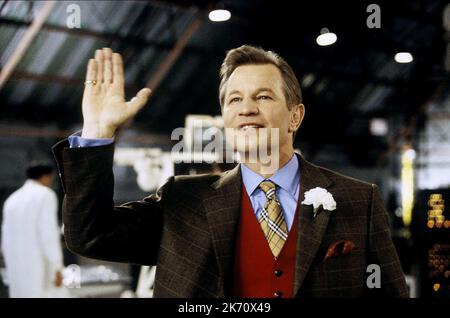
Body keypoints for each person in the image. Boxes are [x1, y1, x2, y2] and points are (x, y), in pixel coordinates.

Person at [52, 46, 408, 297]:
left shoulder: (358, 200)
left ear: (295, 116)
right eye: (234, 100)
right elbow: (89, 235)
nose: (246, 109)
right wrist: (98, 133)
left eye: (264, 97)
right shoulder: (182, 199)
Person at [1, 163, 67, 297]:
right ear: (45, 177)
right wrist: (56, 268)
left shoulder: (12, 199)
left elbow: (5, 238)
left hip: (15, 265)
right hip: (39, 266)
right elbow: (48, 234)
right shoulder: (45, 195)